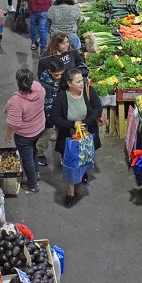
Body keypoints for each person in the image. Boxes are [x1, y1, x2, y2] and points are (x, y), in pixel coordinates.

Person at [51, 68, 103, 208]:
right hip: (70, 138)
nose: (82, 83)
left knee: (85, 157)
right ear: (69, 83)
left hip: (86, 135)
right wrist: (72, 124)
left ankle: (83, 173)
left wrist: (86, 122)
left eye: (82, 80)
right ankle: (70, 193)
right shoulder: (61, 97)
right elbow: (55, 118)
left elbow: (98, 108)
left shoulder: (87, 90)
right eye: (78, 81)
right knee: (70, 165)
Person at [4, 68, 46, 193]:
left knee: (27, 158)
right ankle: (36, 173)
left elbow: (13, 123)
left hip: (25, 135)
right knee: (33, 150)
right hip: (39, 128)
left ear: (18, 82)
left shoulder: (17, 101)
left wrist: (7, 135)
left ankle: (32, 184)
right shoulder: (39, 88)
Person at [36, 59, 65, 166]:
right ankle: (39, 154)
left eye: (61, 74)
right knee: (44, 137)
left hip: (61, 115)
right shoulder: (42, 86)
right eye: (56, 75)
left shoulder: (63, 80)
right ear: (49, 71)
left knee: (63, 136)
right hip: (48, 117)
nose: (59, 77)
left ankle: (64, 155)